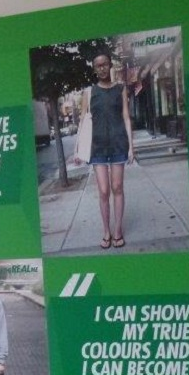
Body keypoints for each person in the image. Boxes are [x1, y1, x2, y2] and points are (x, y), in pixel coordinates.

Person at [83, 53, 135, 249]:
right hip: (97, 148)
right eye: (98, 65)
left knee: (117, 187)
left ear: (110, 65)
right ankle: (106, 231)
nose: (102, 68)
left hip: (118, 144)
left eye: (105, 64)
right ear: (94, 69)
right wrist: (80, 150)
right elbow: (84, 123)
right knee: (104, 191)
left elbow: (126, 117)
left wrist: (131, 146)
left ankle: (118, 230)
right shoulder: (89, 92)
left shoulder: (120, 89)